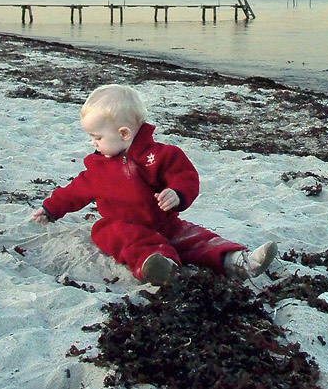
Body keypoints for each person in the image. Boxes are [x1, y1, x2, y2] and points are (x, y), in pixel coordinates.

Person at [31, 84, 277, 285]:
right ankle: (160, 266)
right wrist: (51, 209)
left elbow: (184, 175)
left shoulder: (159, 155)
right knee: (108, 232)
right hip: (125, 226)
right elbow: (73, 192)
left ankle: (238, 260)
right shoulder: (97, 169)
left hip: (164, 223)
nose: (93, 143)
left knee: (197, 238)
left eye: (98, 137)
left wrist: (177, 194)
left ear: (124, 134)